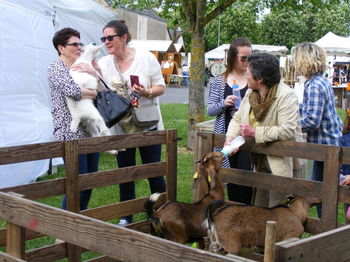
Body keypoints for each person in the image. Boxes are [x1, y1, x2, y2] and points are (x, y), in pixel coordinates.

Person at [98, 20, 166, 226]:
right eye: (104, 39)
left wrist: (147, 91)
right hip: (121, 128)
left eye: (110, 38)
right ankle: (126, 216)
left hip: (147, 124)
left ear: (124, 37)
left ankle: (163, 211)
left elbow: (160, 87)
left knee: (153, 171)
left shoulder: (145, 58)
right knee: (125, 173)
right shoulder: (103, 63)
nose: (106, 42)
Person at [225, 53, 303, 208]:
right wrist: (230, 138)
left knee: (279, 212)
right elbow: (238, 119)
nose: (245, 76)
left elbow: (287, 130)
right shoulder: (250, 93)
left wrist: (255, 133)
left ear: (259, 79)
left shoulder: (287, 96)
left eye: (248, 73)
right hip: (261, 162)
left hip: (281, 164)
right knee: (260, 209)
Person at [48, 28, 100, 210]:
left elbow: (99, 90)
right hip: (69, 132)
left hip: (90, 131)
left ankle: (79, 222)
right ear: (61, 48)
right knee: (77, 183)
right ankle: (64, 229)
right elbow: (73, 92)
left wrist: (93, 79)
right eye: (74, 44)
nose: (79, 47)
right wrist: (92, 92)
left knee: (89, 181)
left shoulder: (82, 66)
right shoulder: (56, 68)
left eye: (80, 44)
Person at [292, 43, 343, 217]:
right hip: (328, 144)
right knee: (321, 190)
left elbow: (312, 120)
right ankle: (327, 229)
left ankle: (327, 232)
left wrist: (290, 125)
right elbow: (310, 110)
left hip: (325, 147)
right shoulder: (319, 81)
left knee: (321, 192)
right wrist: (293, 108)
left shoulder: (314, 86)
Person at [207, 38, 253, 205]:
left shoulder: (253, 79)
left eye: (250, 57)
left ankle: (247, 212)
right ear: (233, 57)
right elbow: (210, 109)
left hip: (248, 137)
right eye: (243, 58)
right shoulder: (219, 80)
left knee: (246, 177)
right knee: (229, 177)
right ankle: (234, 212)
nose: (247, 62)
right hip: (226, 136)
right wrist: (223, 103)